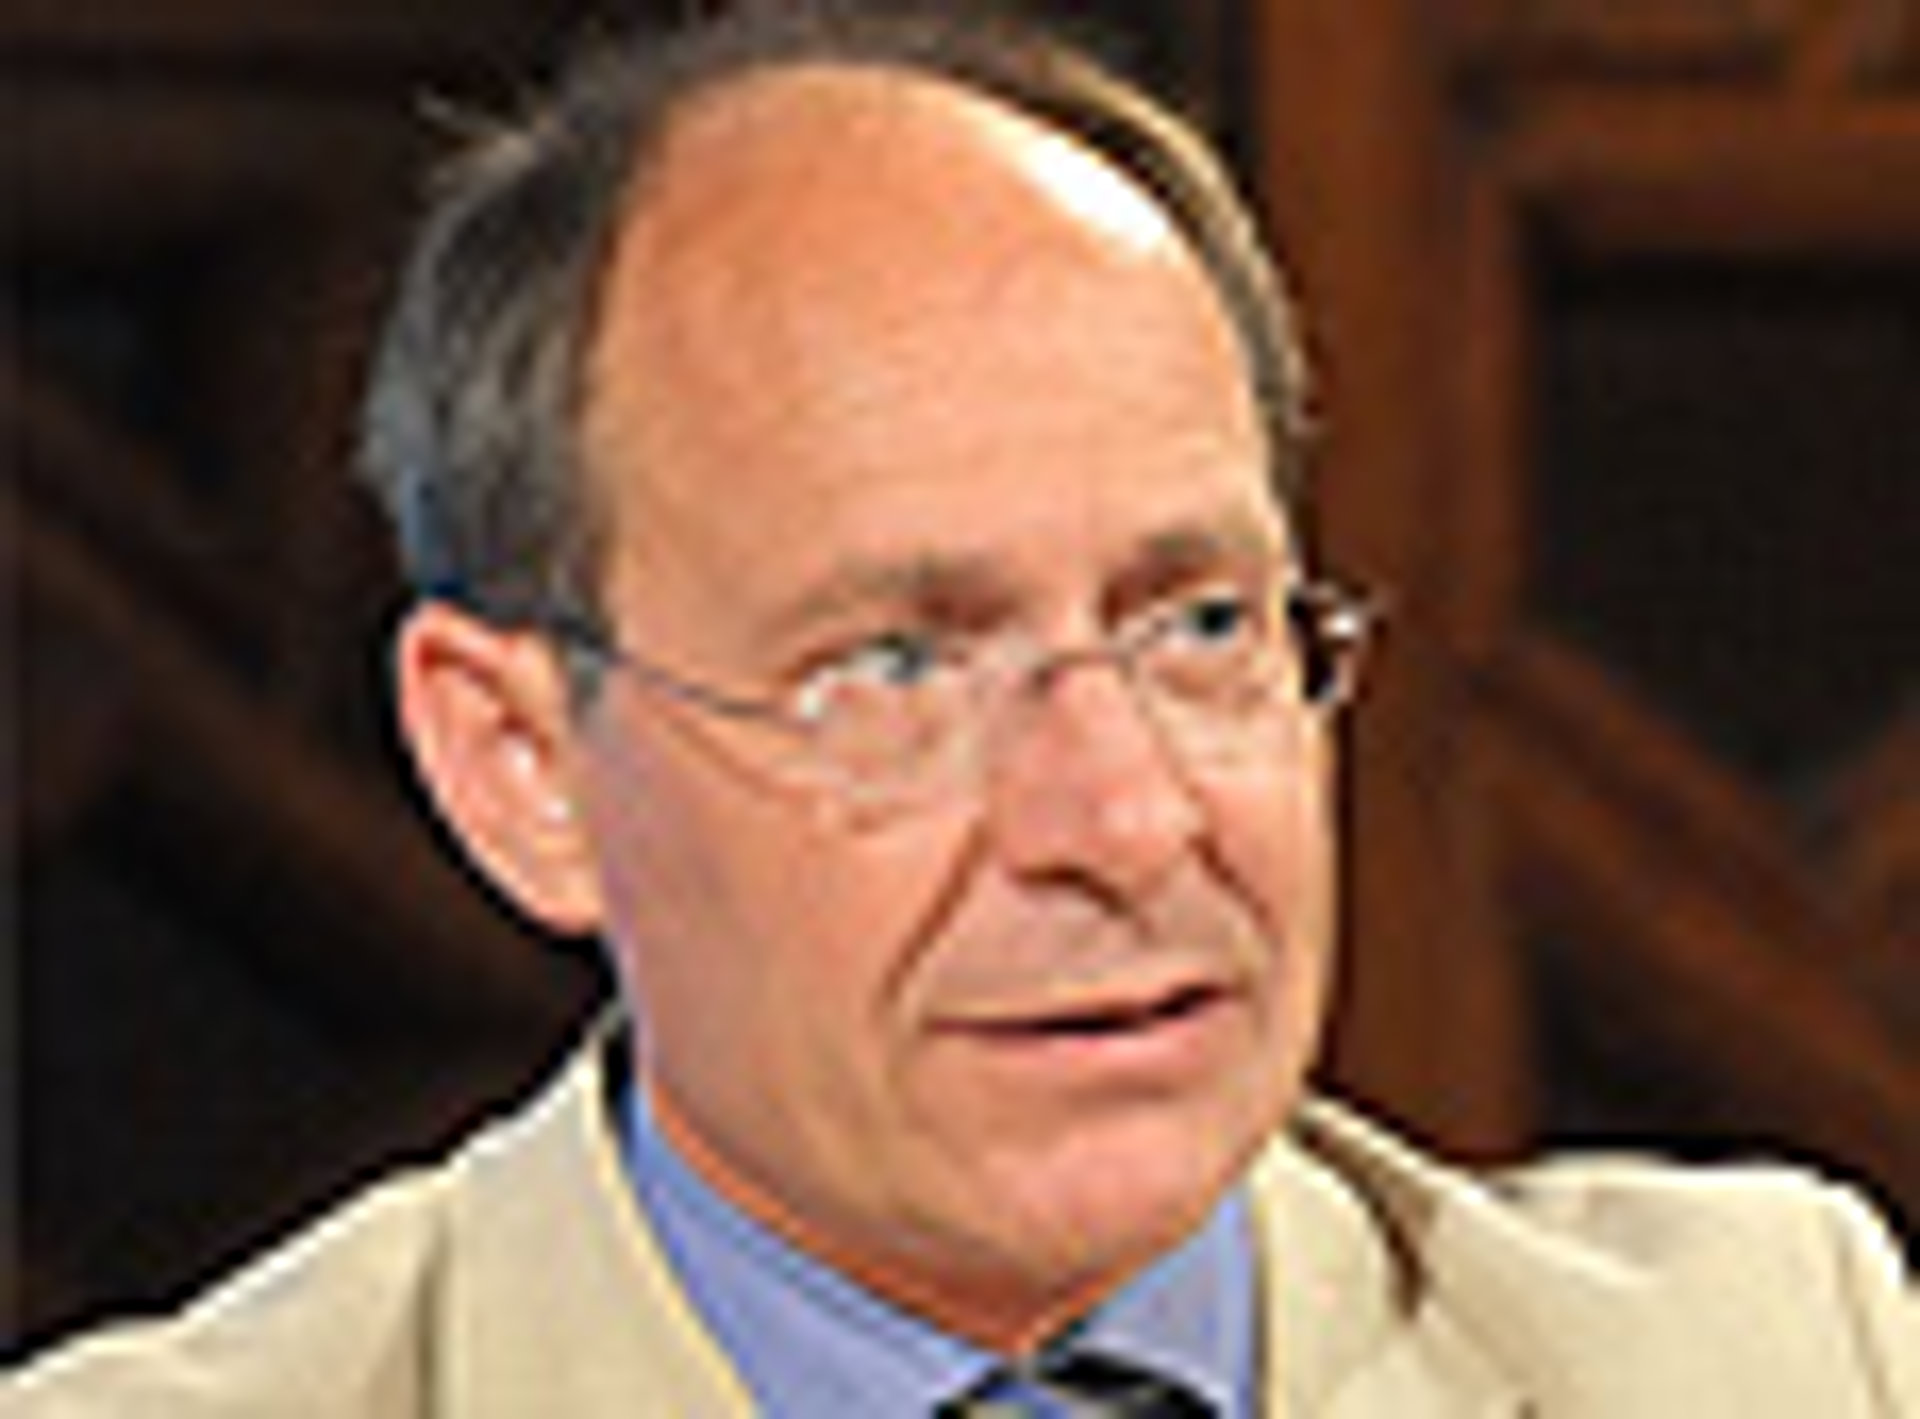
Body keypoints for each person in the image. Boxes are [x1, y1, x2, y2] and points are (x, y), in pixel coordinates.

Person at [7, 3, 1914, 1415]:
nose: (1127, 822)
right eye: (898, 670)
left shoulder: (1769, 1355)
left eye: (1198, 626)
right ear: (519, 766)